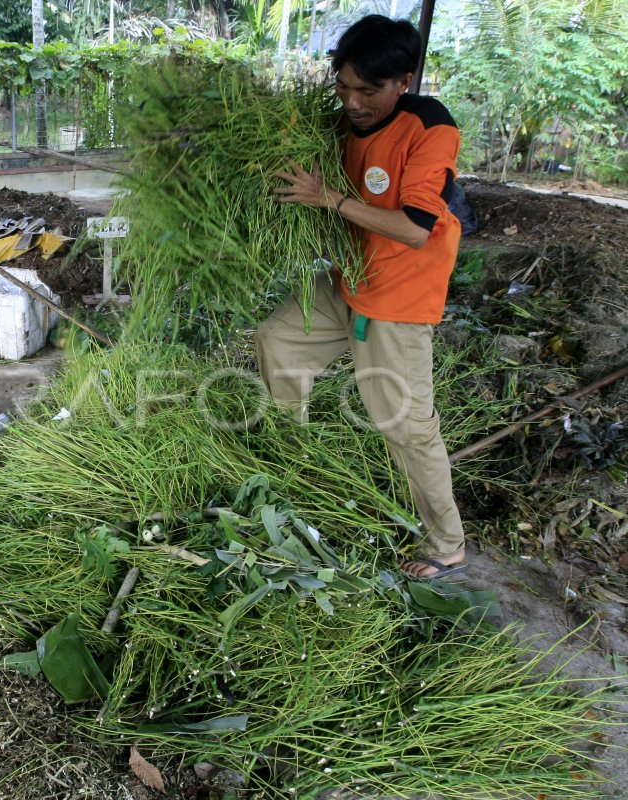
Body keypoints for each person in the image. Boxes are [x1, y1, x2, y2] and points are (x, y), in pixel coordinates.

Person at [259, 14, 465, 581]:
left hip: (398, 293)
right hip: (351, 274)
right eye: (342, 87)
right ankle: (291, 458)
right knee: (278, 338)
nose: (352, 102)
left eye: (367, 91)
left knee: (404, 422)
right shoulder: (346, 120)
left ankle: (446, 542)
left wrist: (327, 199)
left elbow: (417, 227)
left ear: (404, 80)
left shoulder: (430, 130)